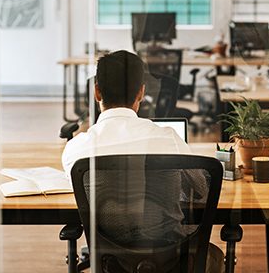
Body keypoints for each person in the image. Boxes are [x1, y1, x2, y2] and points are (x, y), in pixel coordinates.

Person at [61, 50, 224, 272]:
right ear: (141, 92)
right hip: (172, 260)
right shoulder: (167, 138)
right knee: (213, 255)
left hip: (113, 263)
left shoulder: (76, 149)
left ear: (97, 92)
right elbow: (202, 187)